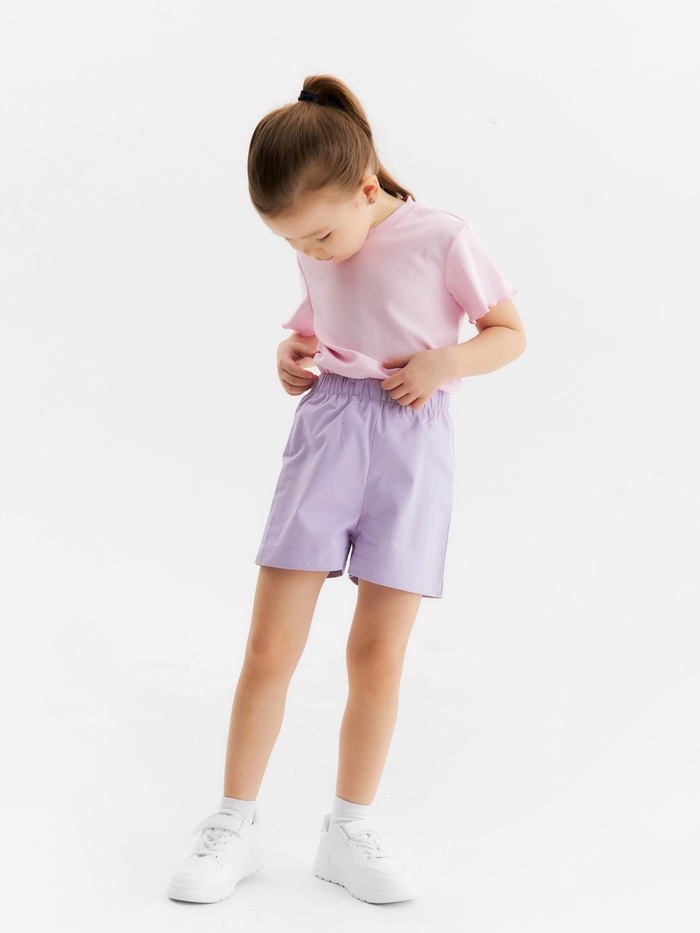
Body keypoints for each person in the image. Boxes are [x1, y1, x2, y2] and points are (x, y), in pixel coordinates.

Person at [168, 74, 526, 907]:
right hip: (329, 432)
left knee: (376, 655)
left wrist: (444, 362)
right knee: (270, 646)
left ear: (366, 188)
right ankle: (234, 822)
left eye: (323, 234)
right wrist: (289, 355)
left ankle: (348, 829)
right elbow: (316, 320)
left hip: (413, 442)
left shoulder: (444, 235)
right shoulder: (318, 239)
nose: (316, 251)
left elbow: (509, 333)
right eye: (296, 241)